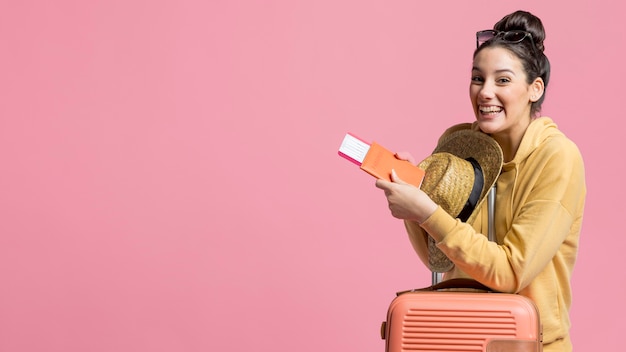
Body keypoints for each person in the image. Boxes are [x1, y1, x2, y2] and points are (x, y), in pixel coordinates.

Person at [374, 10, 586, 352]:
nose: (485, 92)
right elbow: (438, 260)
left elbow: (511, 271)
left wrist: (427, 211)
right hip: (457, 338)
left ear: (535, 89)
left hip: (528, 343)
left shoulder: (557, 158)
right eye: (477, 78)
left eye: (502, 80)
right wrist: (416, 199)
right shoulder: (461, 147)